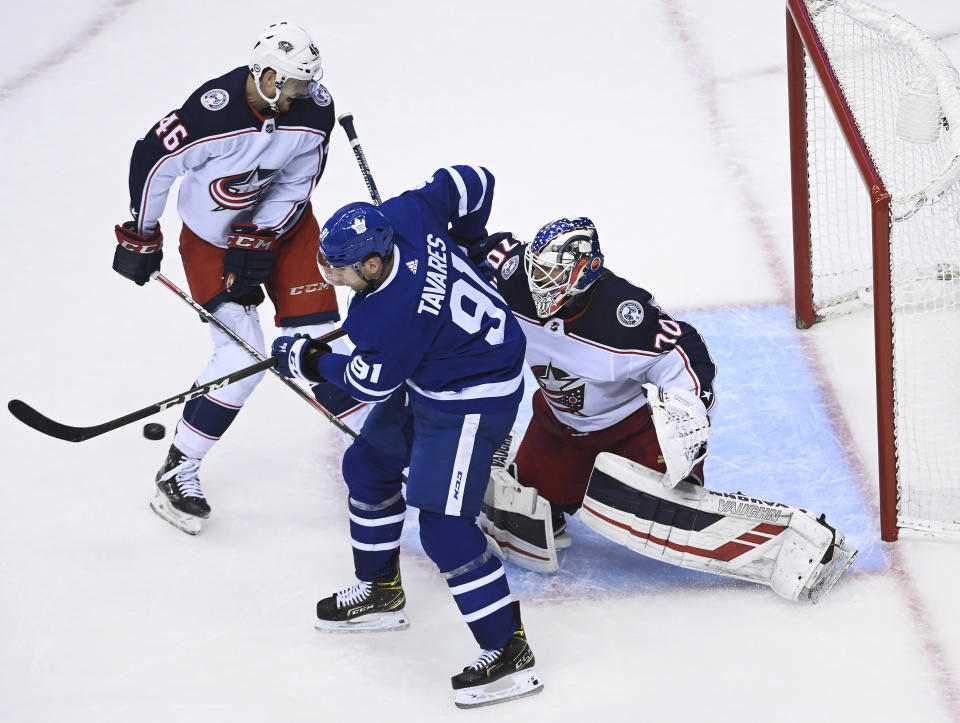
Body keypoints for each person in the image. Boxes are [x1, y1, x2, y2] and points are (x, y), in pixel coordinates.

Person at [270, 166, 543, 709]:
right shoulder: (404, 215)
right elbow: (475, 180)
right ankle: (380, 591)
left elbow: (372, 380)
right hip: (438, 364)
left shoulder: (387, 317)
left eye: (343, 270)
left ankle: (509, 651)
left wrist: (310, 359)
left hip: (473, 393)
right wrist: (468, 239)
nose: (334, 278)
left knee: (443, 528)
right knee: (368, 468)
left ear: (373, 263)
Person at [476, 218, 858, 602]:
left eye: (553, 273)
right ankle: (545, 473)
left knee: (663, 512)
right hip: (557, 428)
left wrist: (689, 409)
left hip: (628, 432)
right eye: (537, 269)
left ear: (584, 272)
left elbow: (683, 351)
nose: (539, 281)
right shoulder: (511, 275)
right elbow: (467, 244)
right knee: (519, 519)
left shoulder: (622, 314)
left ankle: (799, 542)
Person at [112, 22, 360, 535]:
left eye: (305, 85)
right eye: (291, 85)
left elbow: (299, 179)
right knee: (242, 355)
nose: (300, 95)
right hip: (208, 242)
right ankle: (179, 467)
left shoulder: (315, 107)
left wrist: (260, 233)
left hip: (288, 232)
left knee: (315, 346)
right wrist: (141, 233)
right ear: (265, 75)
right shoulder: (210, 113)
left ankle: (385, 447)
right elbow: (152, 161)